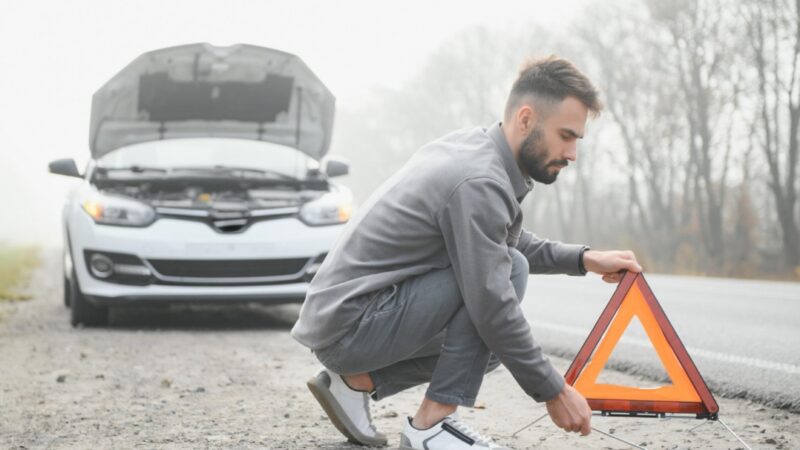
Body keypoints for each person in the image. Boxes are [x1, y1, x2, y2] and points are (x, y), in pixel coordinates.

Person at [291, 55, 643, 449]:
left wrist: (583, 258)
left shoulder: (474, 149)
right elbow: (492, 295)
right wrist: (554, 391)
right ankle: (431, 428)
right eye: (566, 135)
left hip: (346, 320)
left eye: (577, 139)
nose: (573, 153)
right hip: (350, 326)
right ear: (526, 119)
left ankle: (356, 383)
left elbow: (497, 240)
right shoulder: (479, 180)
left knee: (487, 346)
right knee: (504, 283)